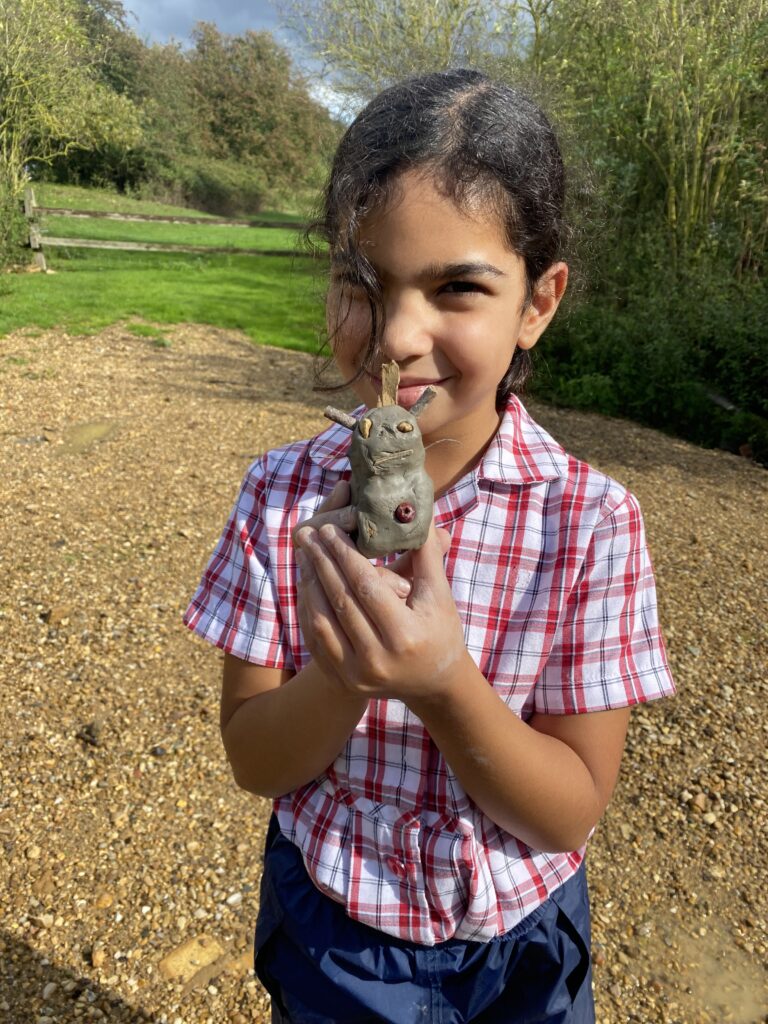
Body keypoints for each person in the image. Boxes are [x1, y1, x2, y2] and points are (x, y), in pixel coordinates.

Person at [183, 68, 675, 1024]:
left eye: (457, 288)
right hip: (333, 929)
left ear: (538, 302)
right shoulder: (280, 496)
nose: (399, 337)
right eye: (365, 284)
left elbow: (571, 808)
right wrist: (345, 676)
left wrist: (446, 680)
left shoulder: (590, 524)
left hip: (519, 945)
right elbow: (254, 759)